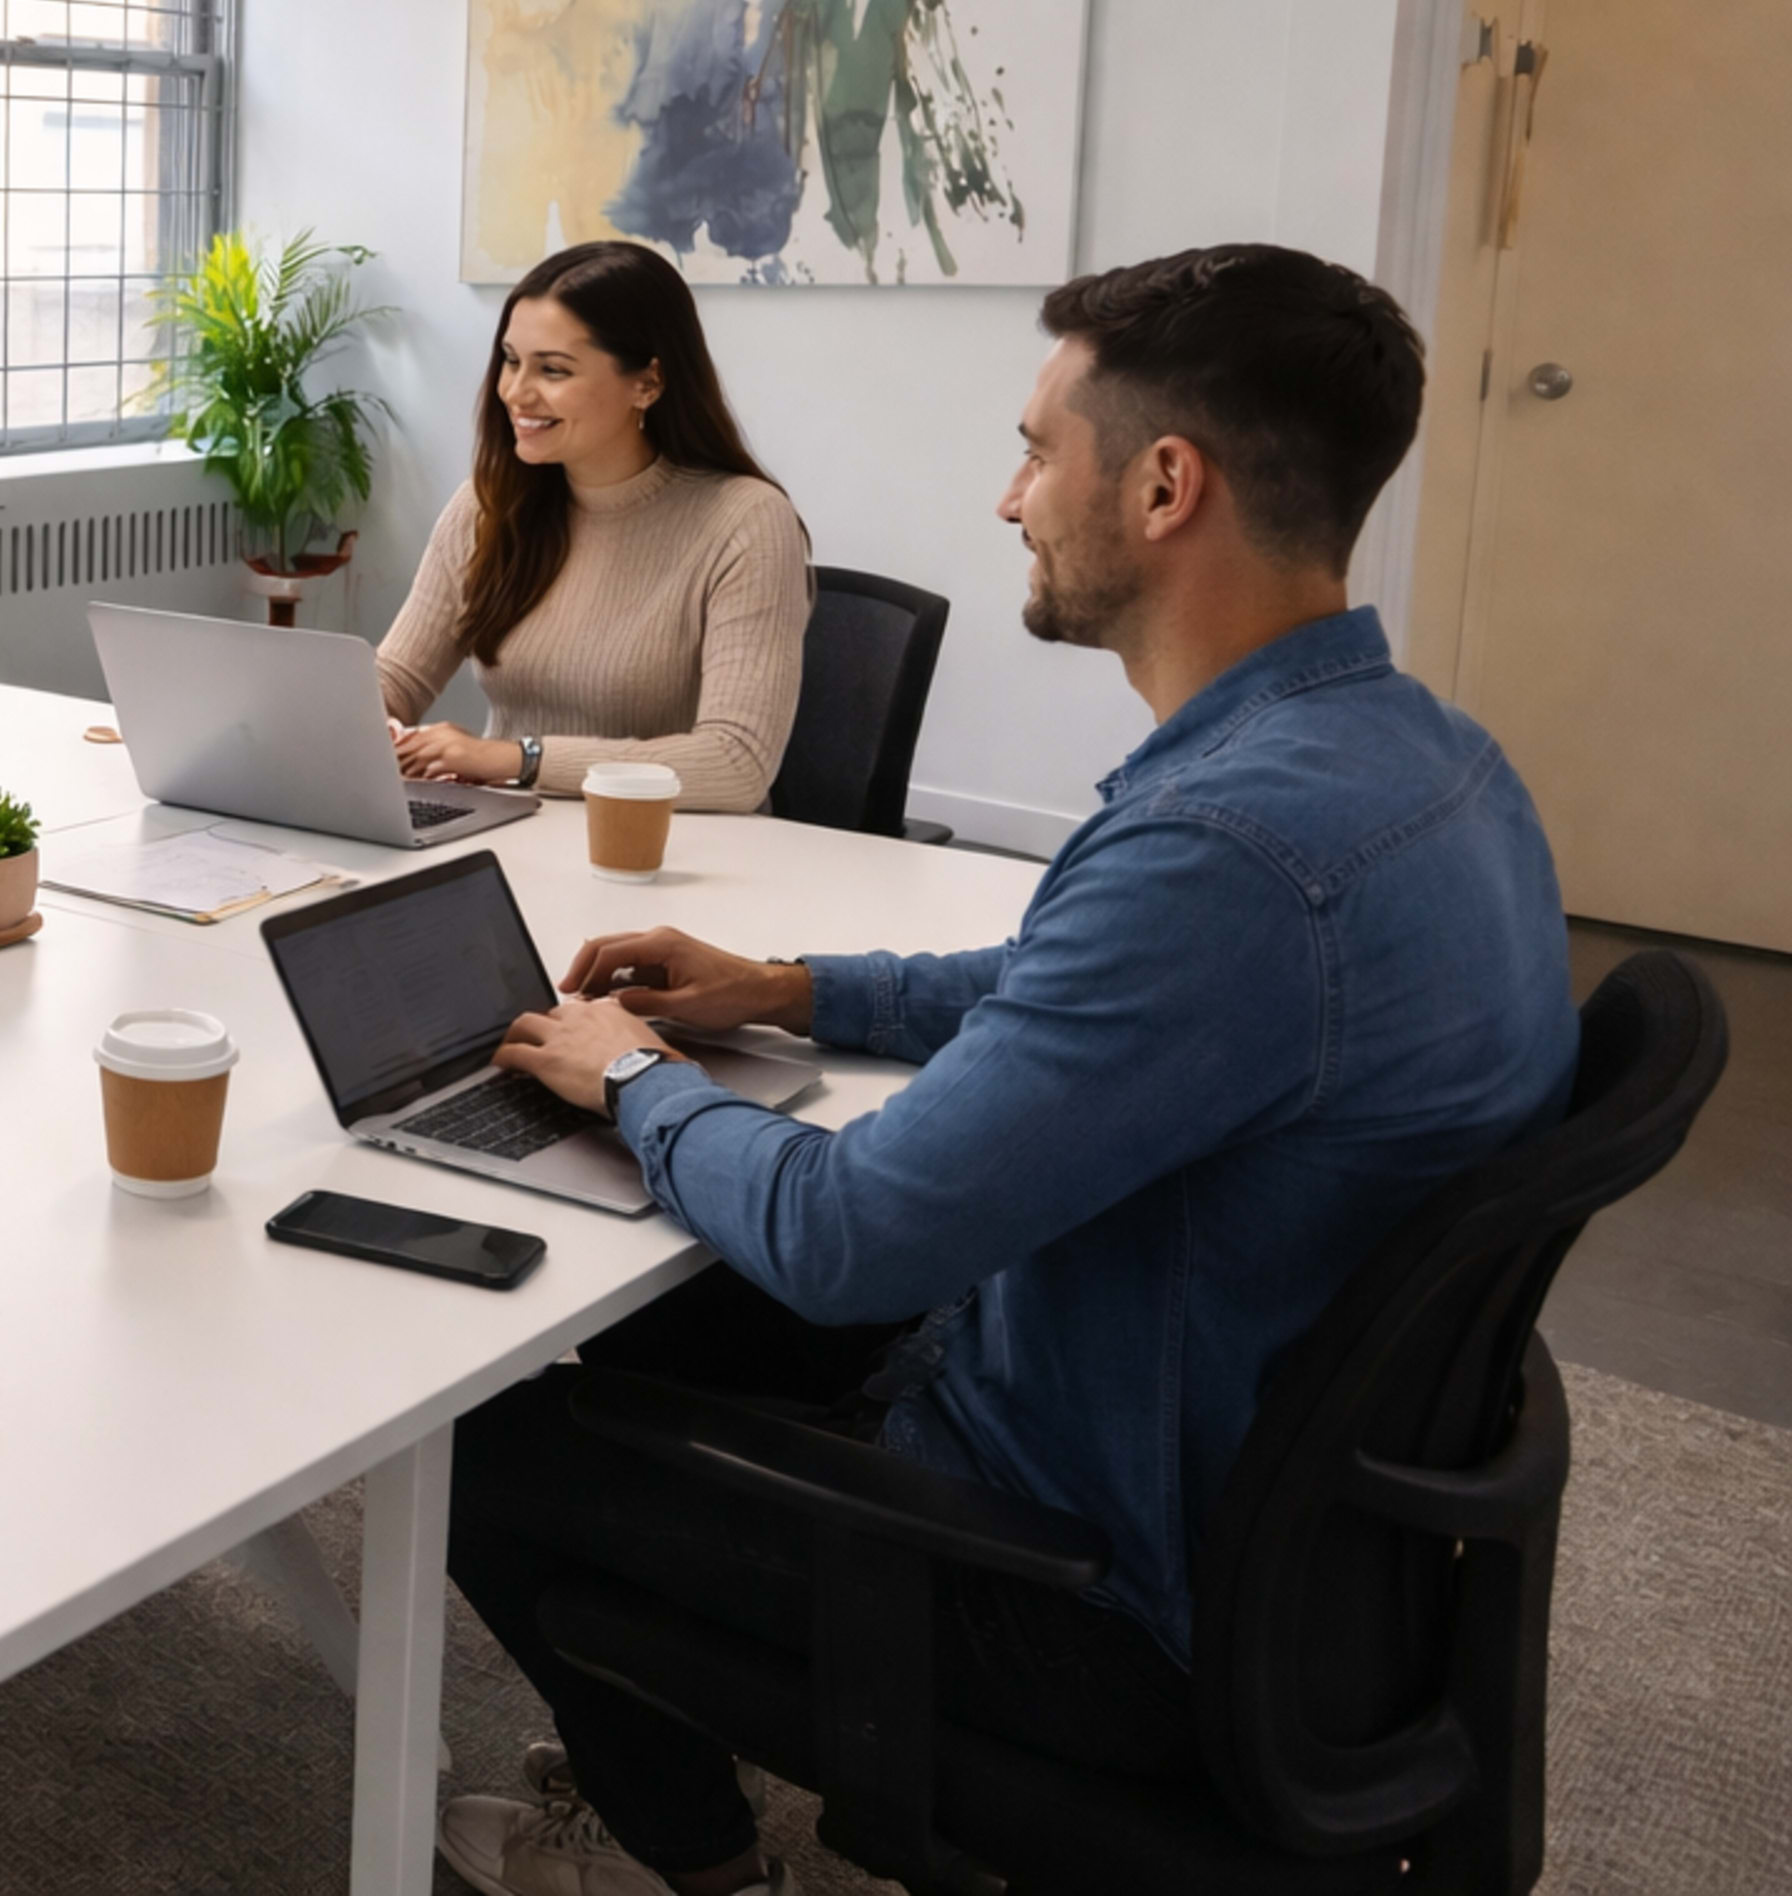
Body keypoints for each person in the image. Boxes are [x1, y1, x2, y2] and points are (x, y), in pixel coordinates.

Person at [425, 245, 1578, 1896]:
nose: (1008, 496)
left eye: (1040, 449)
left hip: (1084, 1589)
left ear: (1167, 485)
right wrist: (794, 989)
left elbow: (847, 1240)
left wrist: (628, 1081)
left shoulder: (1224, 853)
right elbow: (1076, 987)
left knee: (485, 1438)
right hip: (1279, 1524)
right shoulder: (1423, 761)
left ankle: (676, 1861)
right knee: (649, 1308)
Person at [376, 240, 809, 812]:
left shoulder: (746, 522)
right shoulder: (489, 505)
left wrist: (515, 760)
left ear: (648, 383)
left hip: (671, 851)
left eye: (553, 369)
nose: (516, 392)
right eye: (510, 360)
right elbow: (397, 678)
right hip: (513, 831)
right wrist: (365, 720)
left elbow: (735, 764)